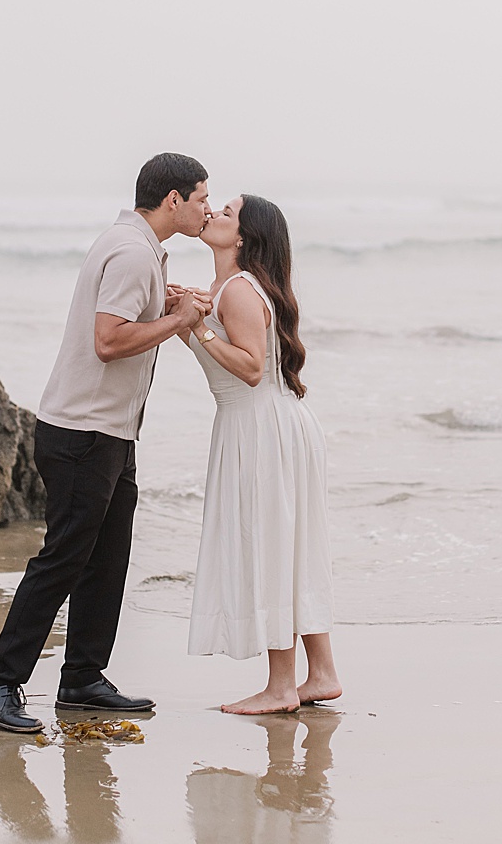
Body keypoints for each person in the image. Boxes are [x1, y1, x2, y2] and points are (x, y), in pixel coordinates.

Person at [0, 152, 213, 734]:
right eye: (202, 198)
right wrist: (179, 321)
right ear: (173, 200)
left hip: (109, 432)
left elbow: (123, 319)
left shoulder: (139, 247)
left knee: (107, 559)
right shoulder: (132, 251)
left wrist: (167, 303)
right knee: (63, 559)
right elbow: (109, 340)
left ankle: (81, 678)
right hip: (83, 432)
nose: (208, 208)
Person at [180, 194, 338, 714]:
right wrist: (188, 314)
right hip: (266, 424)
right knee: (289, 547)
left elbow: (248, 368)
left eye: (226, 214)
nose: (214, 215)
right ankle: (322, 675)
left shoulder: (240, 291)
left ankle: (281, 687)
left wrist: (197, 325)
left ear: (244, 238)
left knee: (271, 546)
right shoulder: (226, 289)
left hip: (260, 426)